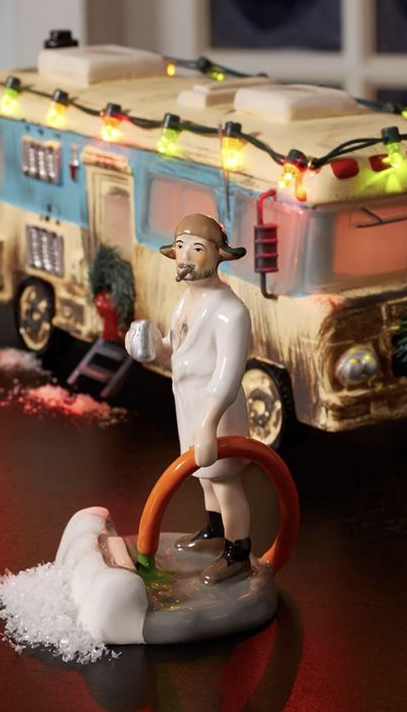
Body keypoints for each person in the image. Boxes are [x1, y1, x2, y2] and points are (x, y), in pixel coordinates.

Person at [125, 213, 252, 585]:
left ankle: (238, 552)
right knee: (204, 478)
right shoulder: (185, 301)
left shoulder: (230, 312)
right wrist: (152, 348)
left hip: (218, 409)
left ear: (217, 255)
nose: (185, 257)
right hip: (188, 401)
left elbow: (229, 374)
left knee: (225, 479)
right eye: (180, 247)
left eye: (196, 249)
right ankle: (215, 532)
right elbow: (175, 347)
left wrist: (210, 421)